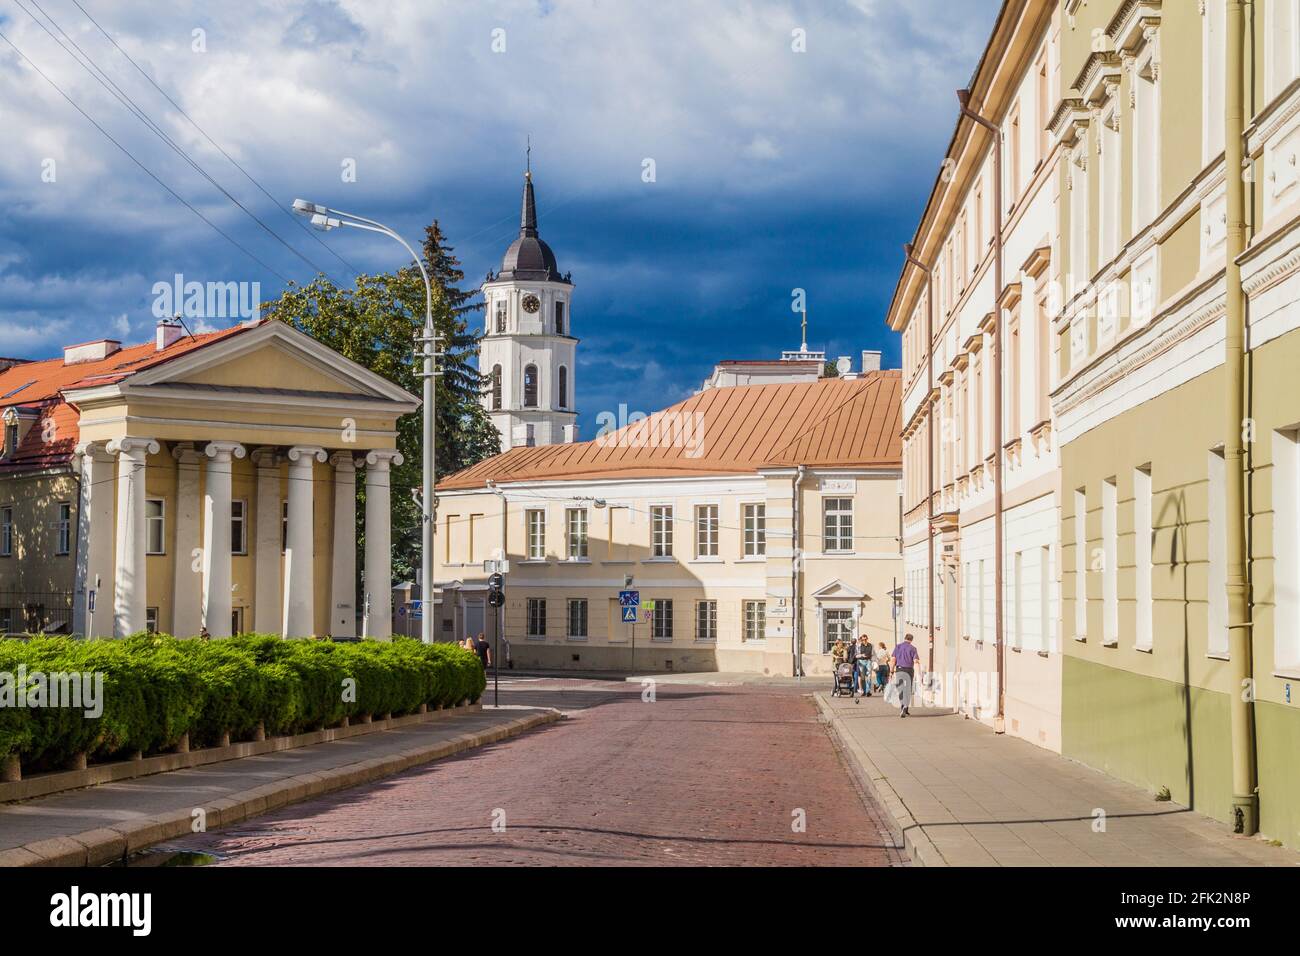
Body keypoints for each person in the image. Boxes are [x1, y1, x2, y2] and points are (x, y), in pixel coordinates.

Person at [890, 633, 920, 717]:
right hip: (909, 670)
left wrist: (891, 671)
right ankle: (906, 707)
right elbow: (916, 661)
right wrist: (919, 674)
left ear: (905, 638)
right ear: (911, 640)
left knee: (901, 689)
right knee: (908, 689)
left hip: (899, 669)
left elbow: (893, 660)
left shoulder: (898, 647)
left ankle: (903, 706)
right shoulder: (913, 648)